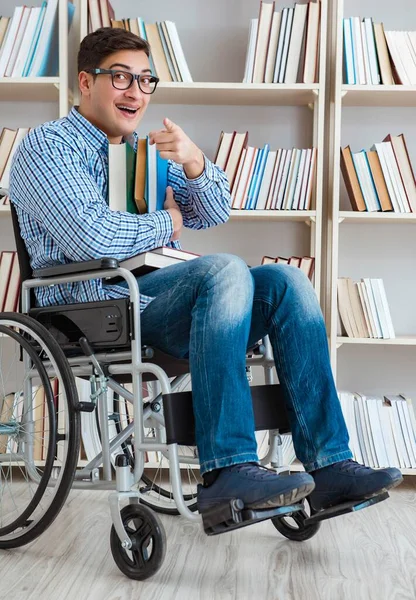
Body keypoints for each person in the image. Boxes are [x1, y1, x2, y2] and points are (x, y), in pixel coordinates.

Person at [10, 28, 403, 518]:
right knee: (223, 270)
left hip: (157, 298)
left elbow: (215, 210)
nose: (135, 91)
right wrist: (167, 221)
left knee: (287, 284)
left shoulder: (144, 154)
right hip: (94, 309)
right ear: (85, 82)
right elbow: (94, 237)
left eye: (145, 79)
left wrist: (195, 163)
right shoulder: (46, 149)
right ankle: (228, 470)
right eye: (120, 77)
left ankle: (329, 466)